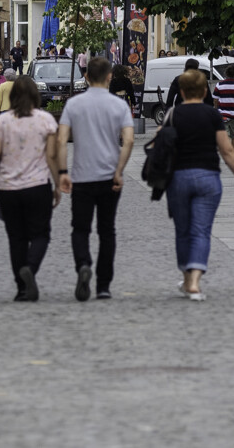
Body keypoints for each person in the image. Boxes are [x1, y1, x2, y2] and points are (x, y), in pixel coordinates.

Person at [167, 69, 234, 300]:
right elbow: (226, 150)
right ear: (205, 91)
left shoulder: (173, 114)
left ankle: (186, 277)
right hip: (208, 178)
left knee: (183, 230)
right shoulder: (213, 115)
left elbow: (161, 147)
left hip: (179, 178)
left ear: (182, 92)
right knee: (202, 230)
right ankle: (193, 282)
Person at [58, 57, 135, 301]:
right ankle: (103, 285)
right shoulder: (119, 105)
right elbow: (129, 140)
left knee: (80, 229)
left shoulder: (74, 104)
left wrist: (62, 172)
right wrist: (119, 170)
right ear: (110, 76)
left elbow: (61, 140)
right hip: (109, 176)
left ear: (87, 77)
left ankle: (83, 264)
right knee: (107, 230)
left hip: (82, 177)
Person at [0, 76, 61, 301]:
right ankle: (31, 267)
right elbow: (51, 156)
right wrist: (58, 184)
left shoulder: (3, 121)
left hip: (8, 188)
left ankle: (21, 289)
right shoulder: (46, 120)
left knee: (16, 238)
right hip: (37, 186)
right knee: (41, 233)